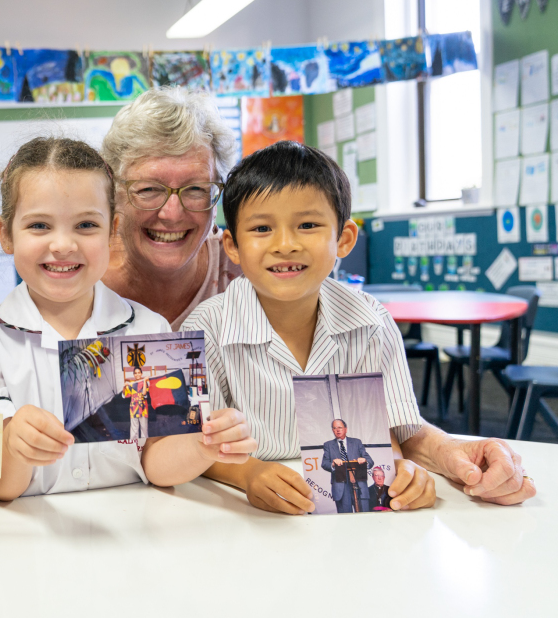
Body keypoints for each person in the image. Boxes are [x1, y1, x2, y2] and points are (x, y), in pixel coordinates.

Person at [183, 141, 537, 513]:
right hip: (250, 517)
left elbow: (394, 430)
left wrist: (404, 472)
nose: (285, 244)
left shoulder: (371, 321)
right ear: (233, 246)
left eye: (307, 225)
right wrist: (249, 474)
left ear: (344, 239)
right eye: (261, 228)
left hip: (353, 512)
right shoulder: (207, 329)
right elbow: (194, 442)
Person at [0, 137, 255, 502]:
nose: (63, 245)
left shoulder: (151, 331)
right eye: (39, 226)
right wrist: (13, 443)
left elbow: (156, 464)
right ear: (6, 234)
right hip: (31, 541)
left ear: (113, 230)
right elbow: (2, 487)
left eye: (85, 225)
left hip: (136, 534)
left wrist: (203, 449)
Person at [100, 87, 241, 328]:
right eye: (148, 190)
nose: (172, 214)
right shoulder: (81, 280)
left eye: (196, 189)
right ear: (115, 195)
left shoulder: (244, 272)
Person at [320, 419, 374, 513]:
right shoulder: (328, 445)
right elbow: (324, 463)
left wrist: (364, 461)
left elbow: (370, 461)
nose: (337, 430)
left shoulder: (356, 442)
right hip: (341, 485)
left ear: (345, 429)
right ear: (332, 430)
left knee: (365, 517)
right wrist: (333, 464)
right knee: (345, 519)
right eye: (335, 428)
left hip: (359, 483)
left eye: (340, 427)